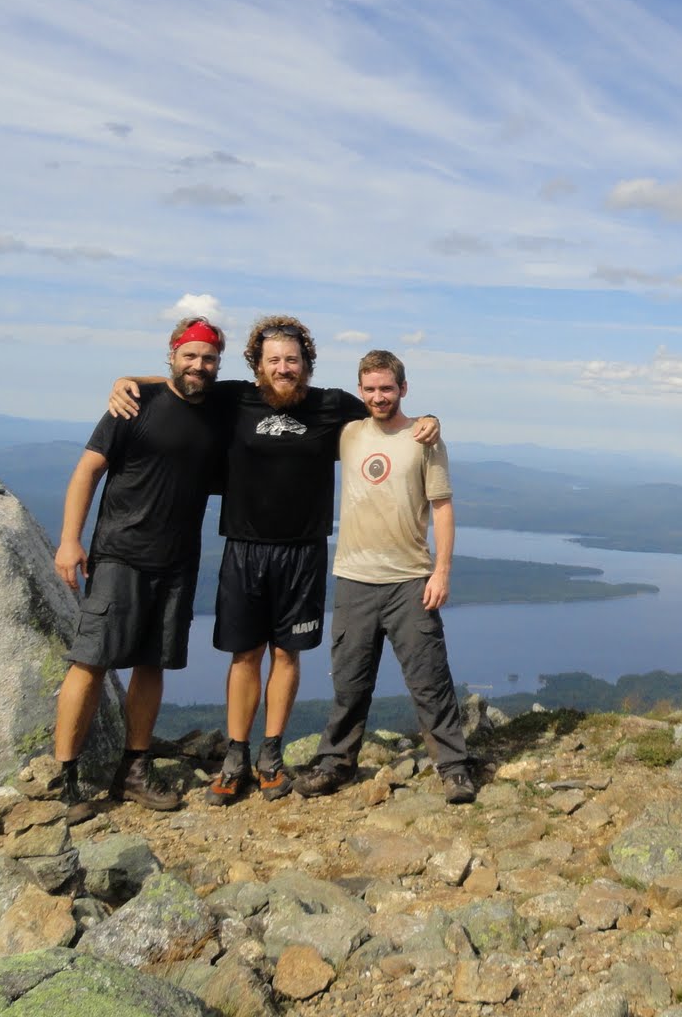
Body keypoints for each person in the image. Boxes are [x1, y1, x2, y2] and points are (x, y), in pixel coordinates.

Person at [110, 317, 438, 805]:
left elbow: (386, 411)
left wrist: (429, 420)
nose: (284, 368)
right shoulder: (235, 398)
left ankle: (270, 757)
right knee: (245, 655)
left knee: (287, 654)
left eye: (292, 360)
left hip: (303, 550)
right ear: (258, 365)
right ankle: (235, 757)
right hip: (244, 547)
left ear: (306, 363)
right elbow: (187, 382)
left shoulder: (331, 405)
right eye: (274, 360)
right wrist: (130, 381)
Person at [52, 316, 229, 819]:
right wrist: (70, 540)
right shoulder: (134, 404)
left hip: (177, 562)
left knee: (153, 664)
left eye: (208, 357)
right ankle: (64, 779)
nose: (198, 365)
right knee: (91, 660)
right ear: (172, 354)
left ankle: (133, 769)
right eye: (189, 355)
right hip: (120, 554)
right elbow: (88, 469)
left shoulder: (218, 408)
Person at [294, 349, 475, 805]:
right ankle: (335, 764)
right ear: (360, 391)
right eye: (371, 389)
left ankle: (454, 767)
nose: (379, 397)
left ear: (403, 389)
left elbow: (442, 507)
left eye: (387, 388)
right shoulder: (348, 433)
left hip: (410, 579)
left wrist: (441, 571)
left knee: (430, 680)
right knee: (349, 682)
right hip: (354, 578)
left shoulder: (424, 438)